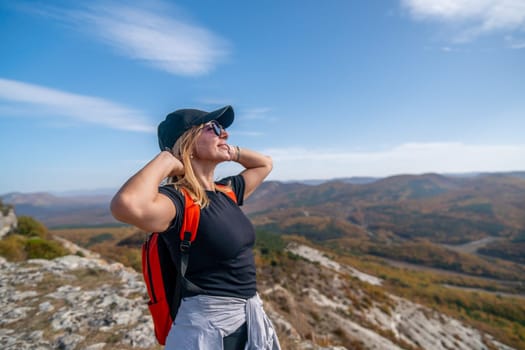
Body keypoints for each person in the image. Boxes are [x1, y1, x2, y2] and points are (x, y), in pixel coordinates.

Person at [110, 105, 281, 350]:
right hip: (209, 330)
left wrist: (228, 150)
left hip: (247, 320)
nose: (225, 134)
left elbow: (264, 164)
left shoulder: (226, 192)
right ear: (187, 142)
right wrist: (168, 160)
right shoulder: (178, 201)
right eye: (213, 128)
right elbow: (127, 205)